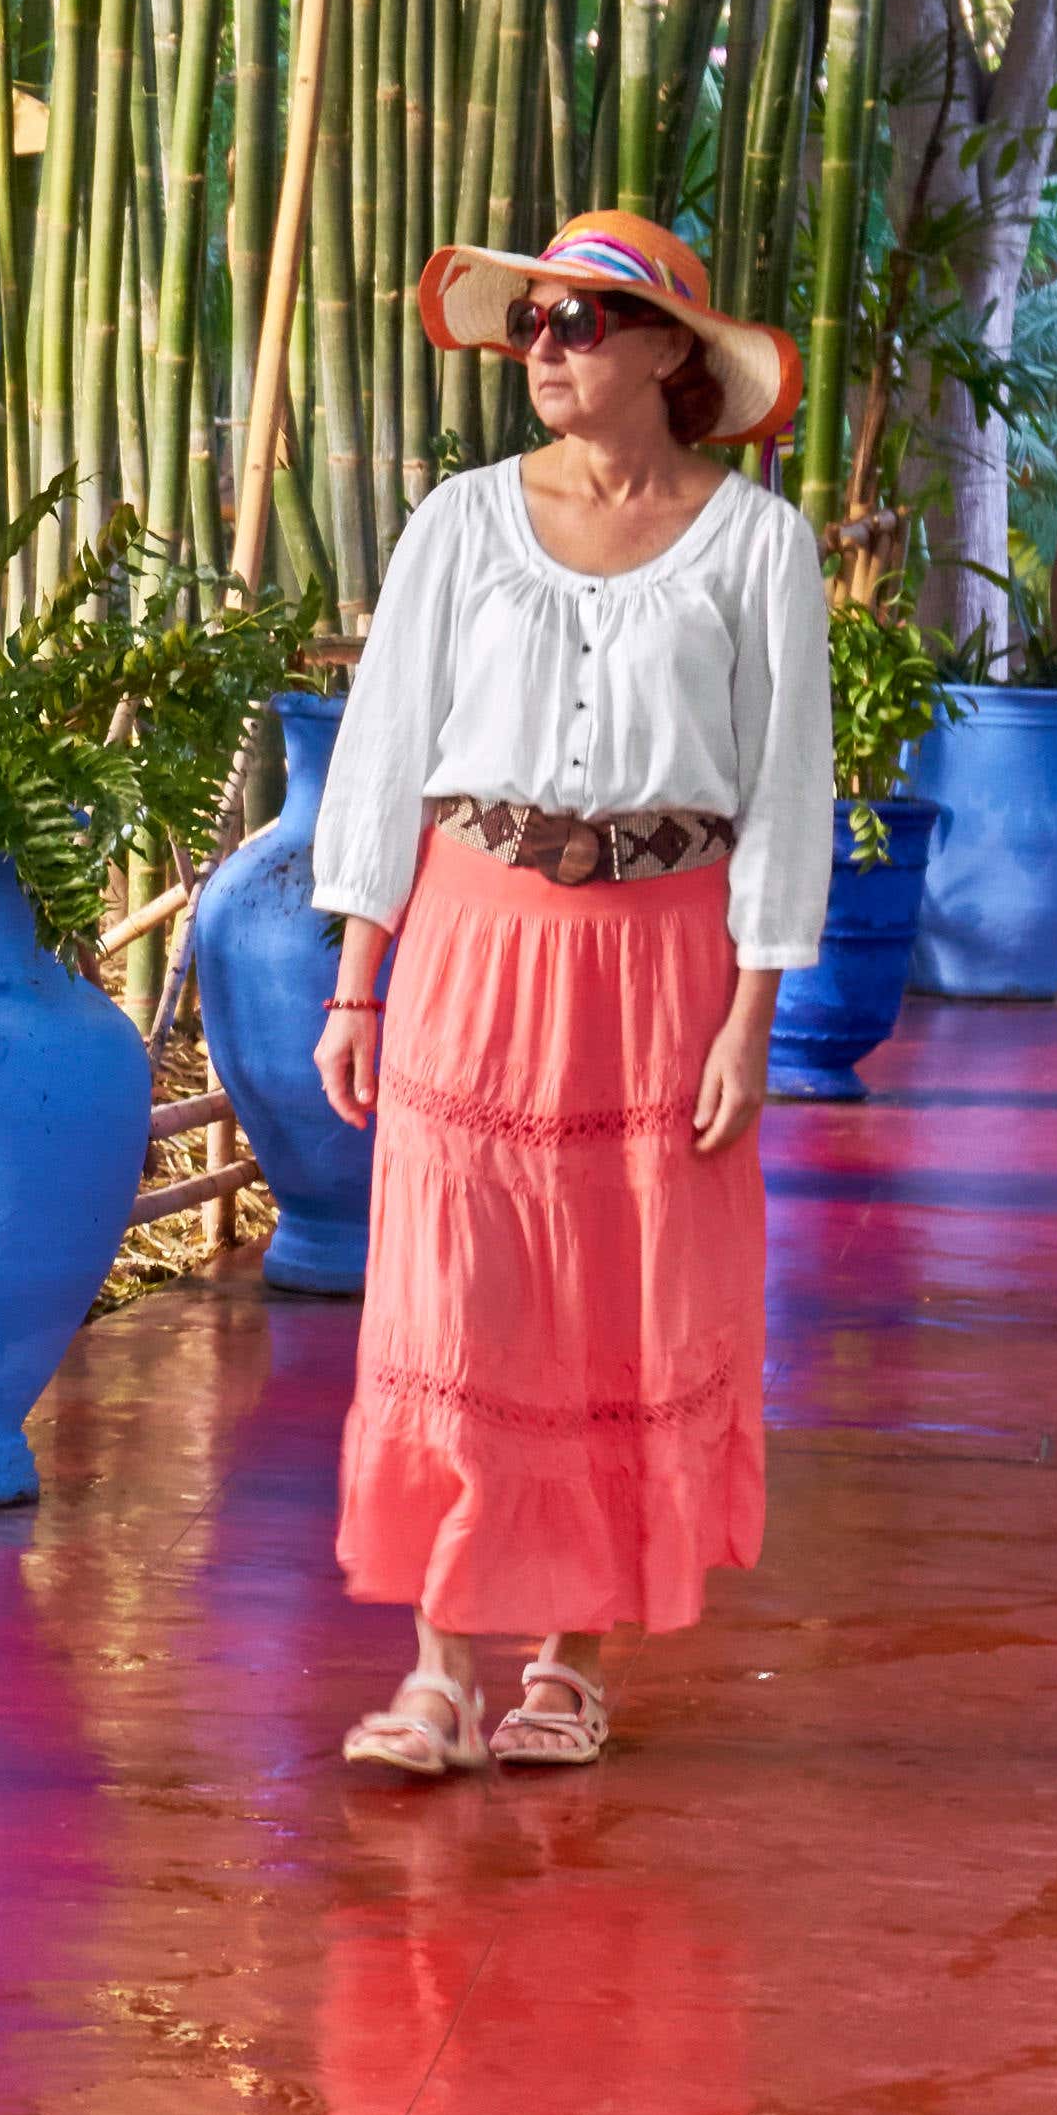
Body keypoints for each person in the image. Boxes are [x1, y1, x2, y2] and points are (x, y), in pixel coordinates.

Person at [301, 209, 837, 1777]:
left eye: (579, 325)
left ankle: (569, 1656)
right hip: (476, 937)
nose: (542, 349)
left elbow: (786, 791)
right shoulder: (460, 525)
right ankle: (436, 1670)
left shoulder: (759, 544)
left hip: (665, 956)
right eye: (530, 323)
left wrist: (753, 1015)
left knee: (622, 1287)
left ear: (672, 353)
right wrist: (357, 985)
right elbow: (386, 754)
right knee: (457, 1292)